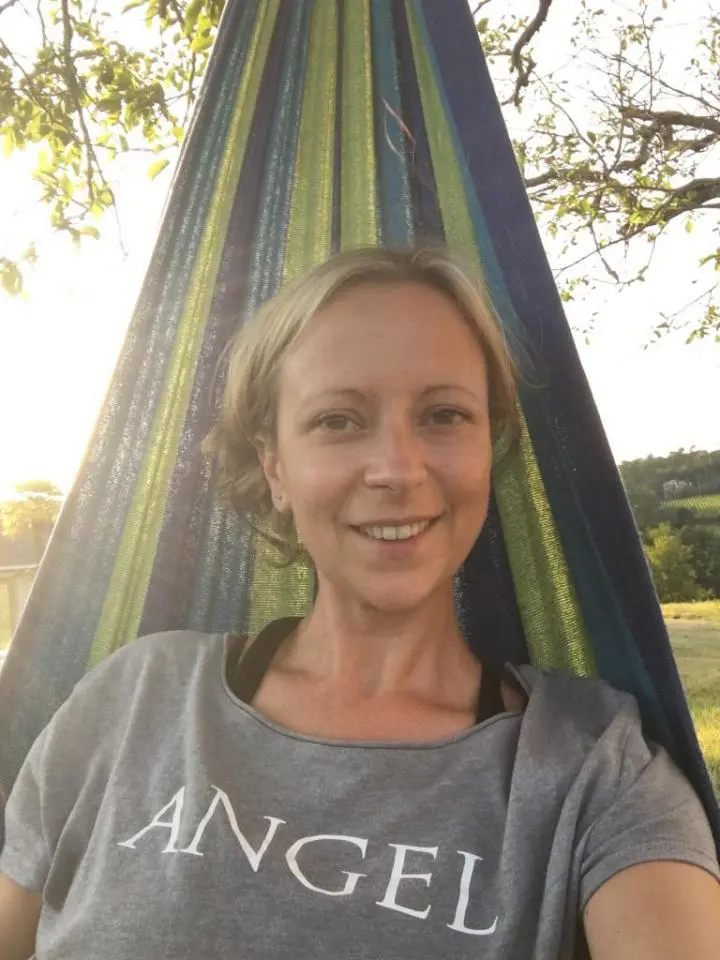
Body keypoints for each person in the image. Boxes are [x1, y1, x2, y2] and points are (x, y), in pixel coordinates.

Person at [0, 246, 718, 959]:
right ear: (276, 466)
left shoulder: (590, 773)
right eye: (338, 421)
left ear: (487, 448)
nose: (398, 470)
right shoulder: (136, 699)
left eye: (444, 415)